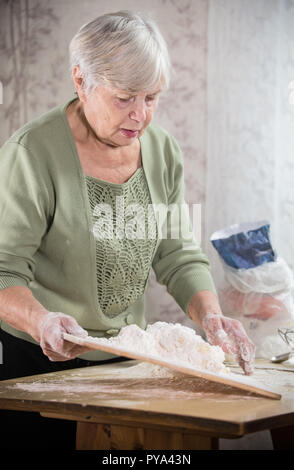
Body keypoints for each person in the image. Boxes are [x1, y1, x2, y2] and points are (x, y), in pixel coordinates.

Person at [0, 11, 255, 448]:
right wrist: (41, 321)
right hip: (40, 368)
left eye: (152, 98)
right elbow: (4, 271)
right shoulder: (31, 154)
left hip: (125, 365)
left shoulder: (162, 151)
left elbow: (176, 253)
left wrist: (210, 316)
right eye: (125, 98)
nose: (140, 115)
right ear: (81, 81)